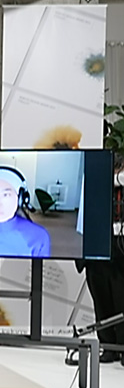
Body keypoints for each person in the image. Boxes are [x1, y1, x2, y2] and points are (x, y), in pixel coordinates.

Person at [79, 154, 124, 364]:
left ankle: (121, 347)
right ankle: (108, 346)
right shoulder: (95, 185)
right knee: (101, 303)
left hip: (120, 257)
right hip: (97, 257)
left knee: (121, 302)